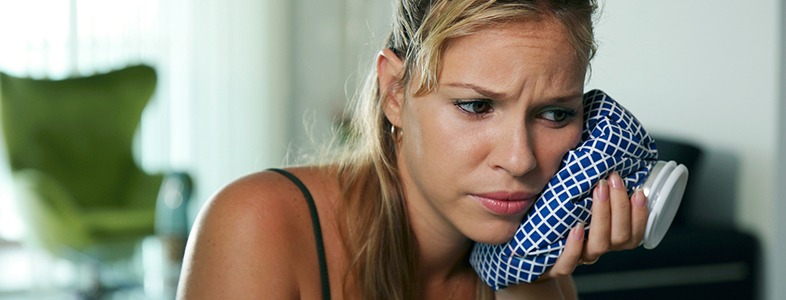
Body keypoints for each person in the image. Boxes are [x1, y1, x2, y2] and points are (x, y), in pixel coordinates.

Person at [176, 0, 650, 299]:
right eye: (476, 105)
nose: (521, 158)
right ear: (395, 94)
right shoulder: (257, 225)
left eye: (554, 114)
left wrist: (531, 280)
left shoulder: (535, 275)